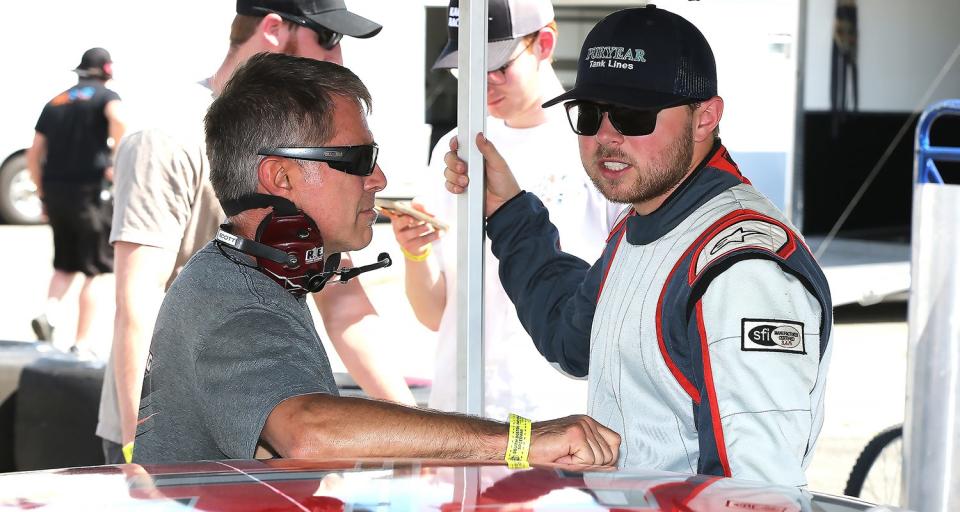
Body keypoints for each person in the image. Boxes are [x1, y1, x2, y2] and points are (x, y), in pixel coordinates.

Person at [133, 52, 621, 466]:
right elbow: (307, 430)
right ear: (281, 177)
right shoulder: (231, 296)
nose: (379, 179)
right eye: (357, 160)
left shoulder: (254, 276)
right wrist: (522, 442)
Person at [442, 5, 833, 487]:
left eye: (633, 114)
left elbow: (755, 491)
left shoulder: (741, 267)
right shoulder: (649, 222)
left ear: (704, 117)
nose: (606, 136)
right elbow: (572, 337)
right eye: (588, 114)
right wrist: (507, 211)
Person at [98, 0, 414, 466]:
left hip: (259, 418)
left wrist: (423, 439)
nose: (339, 55)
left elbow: (344, 306)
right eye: (327, 37)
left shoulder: (312, 146)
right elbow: (137, 302)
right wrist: (136, 456)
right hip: (160, 429)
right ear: (272, 28)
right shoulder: (164, 138)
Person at [386, 0, 621, 422]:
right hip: (459, 414)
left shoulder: (596, 147)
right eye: (468, 67)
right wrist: (415, 253)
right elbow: (435, 313)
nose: (484, 82)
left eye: (498, 66)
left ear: (544, 43)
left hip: (559, 417)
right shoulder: (454, 148)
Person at [26, 47, 125, 354]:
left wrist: (42, 191)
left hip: (55, 193)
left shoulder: (55, 102)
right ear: (107, 72)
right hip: (90, 193)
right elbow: (119, 120)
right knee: (94, 270)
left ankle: (49, 313)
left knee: (65, 263)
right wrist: (116, 157)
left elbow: (33, 154)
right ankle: (81, 343)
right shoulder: (106, 98)